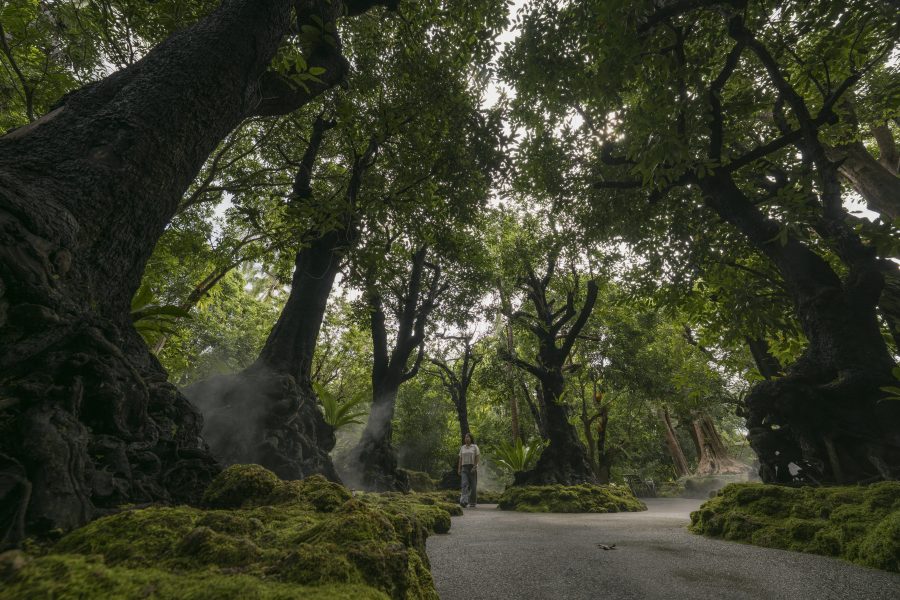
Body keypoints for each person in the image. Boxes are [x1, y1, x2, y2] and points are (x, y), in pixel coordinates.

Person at [457, 432, 480, 508]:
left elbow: (477, 457)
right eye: (465, 437)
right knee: (464, 484)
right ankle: (464, 501)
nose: (466, 439)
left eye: (468, 437)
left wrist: (475, 466)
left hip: (472, 467)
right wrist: (459, 468)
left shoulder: (475, 447)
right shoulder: (462, 447)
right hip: (464, 468)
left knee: (473, 486)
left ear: (471, 439)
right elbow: (460, 459)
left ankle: (472, 502)